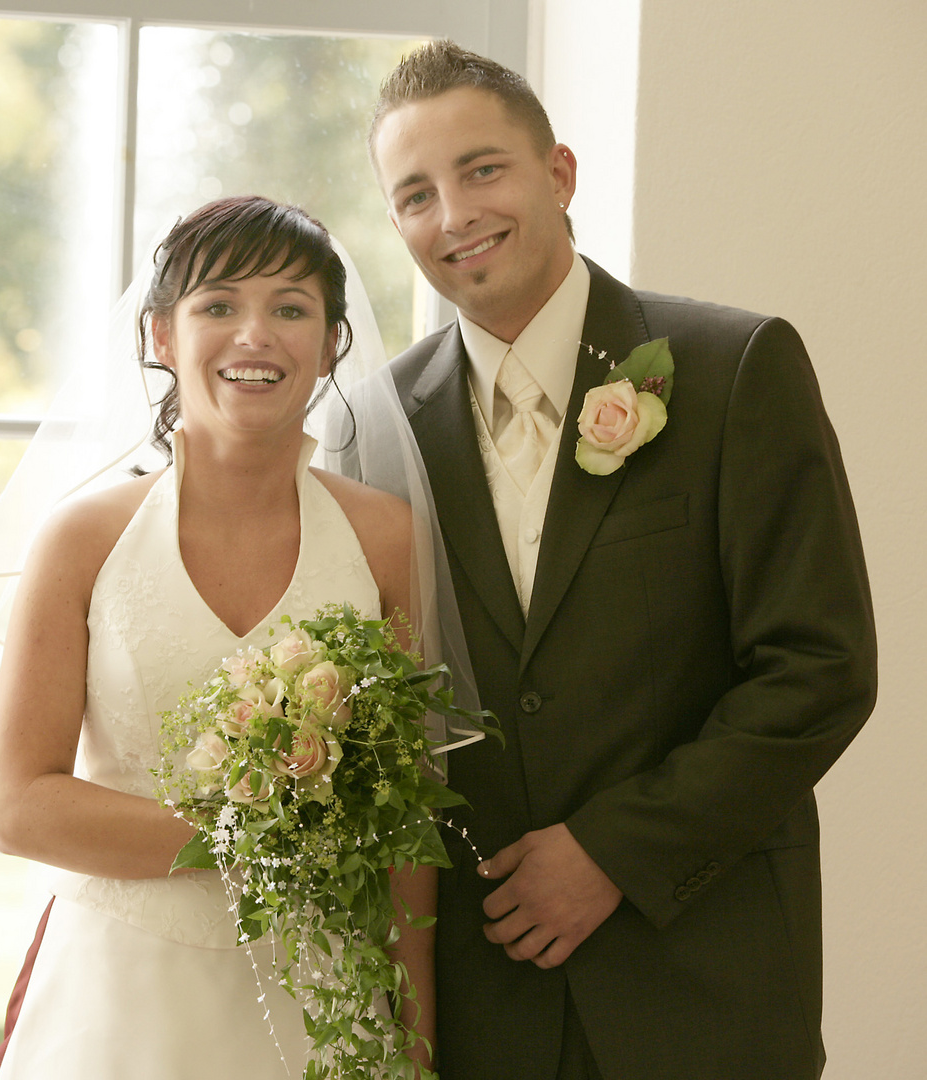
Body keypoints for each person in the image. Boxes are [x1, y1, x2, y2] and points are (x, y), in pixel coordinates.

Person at [356, 39, 876, 1079]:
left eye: (483, 170)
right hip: (481, 1003)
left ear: (559, 174)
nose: (453, 214)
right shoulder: (376, 428)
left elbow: (819, 671)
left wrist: (612, 853)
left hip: (704, 988)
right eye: (416, 193)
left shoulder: (735, 369)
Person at [0, 196, 435, 1079]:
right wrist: (243, 834)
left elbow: (407, 812)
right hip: (121, 992)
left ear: (333, 342)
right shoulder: (83, 538)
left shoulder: (385, 539)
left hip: (319, 991)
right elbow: (20, 805)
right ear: (161, 336)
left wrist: (416, 1021)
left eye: (291, 308)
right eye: (218, 305)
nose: (255, 334)